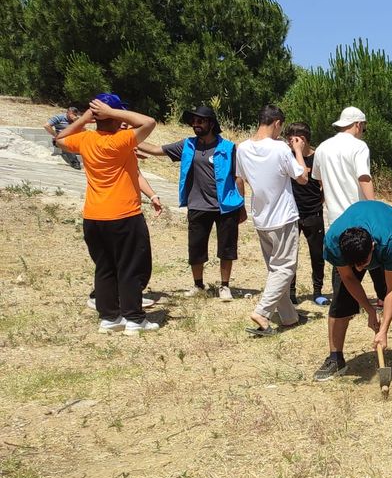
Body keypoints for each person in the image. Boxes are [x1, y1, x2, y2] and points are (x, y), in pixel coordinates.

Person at [54, 94, 161, 335]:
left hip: (93, 217)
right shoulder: (121, 140)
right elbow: (149, 122)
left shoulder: (85, 139)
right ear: (111, 116)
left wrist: (85, 118)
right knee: (130, 267)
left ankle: (110, 318)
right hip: (124, 215)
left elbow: (59, 139)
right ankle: (134, 319)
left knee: (104, 268)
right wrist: (111, 112)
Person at [313, 200, 392, 381]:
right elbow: (348, 278)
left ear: (373, 247)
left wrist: (383, 330)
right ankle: (335, 359)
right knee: (341, 299)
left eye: (364, 263)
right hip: (359, 235)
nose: (360, 269)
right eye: (354, 264)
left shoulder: (388, 242)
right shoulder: (333, 243)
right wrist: (369, 310)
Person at [136, 106, 244, 301]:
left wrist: (241, 206)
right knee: (196, 248)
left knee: (227, 248)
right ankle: (198, 285)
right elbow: (155, 150)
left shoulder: (228, 147)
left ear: (211, 123)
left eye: (200, 121)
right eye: (193, 121)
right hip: (197, 205)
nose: (196, 124)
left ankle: (224, 286)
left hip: (226, 206)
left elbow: (238, 178)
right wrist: (128, 139)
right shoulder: (187, 145)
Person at [235, 106, 308, 335]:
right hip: (283, 216)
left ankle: (289, 317)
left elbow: (240, 178)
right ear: (276, 123)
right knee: (285, 269)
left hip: (261, 216)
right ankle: (263, 312)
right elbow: (303, 177)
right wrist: (298, 150)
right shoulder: (280, 148)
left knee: (275, 270)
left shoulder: (242, 148)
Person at [312, 106, 387, 306]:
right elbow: (364, 177)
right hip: (358, 214)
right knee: (372, 254)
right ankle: (383, 297)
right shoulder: (359, 146)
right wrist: (374, 207)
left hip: (335, 216)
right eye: (364, 127)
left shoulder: (322, 148)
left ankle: (340, 303)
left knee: (341, 262)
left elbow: (318, 179)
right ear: (358, 124)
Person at [283, 122, 327, 306]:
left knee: (317, 254)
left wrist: (318, 202)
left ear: (304, 139)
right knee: (290, 254)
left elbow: (324, 185)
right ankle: (291, 292)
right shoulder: (288, 156)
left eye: (293, 140)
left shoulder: (317, 157)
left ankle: (317, 291)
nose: (290, 143)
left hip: (313, 213)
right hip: (292, 213)